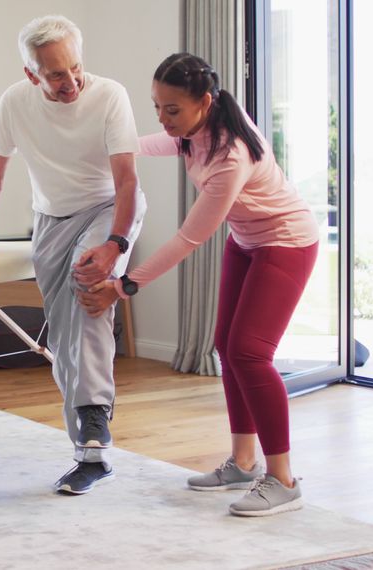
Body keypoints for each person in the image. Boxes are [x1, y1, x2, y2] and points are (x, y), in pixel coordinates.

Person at [78, 52, 319, 516]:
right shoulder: (192, 133)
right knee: (226, 347)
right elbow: (154, 145)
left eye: (173, 110)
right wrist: (111, 144)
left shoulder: (232, 154)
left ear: (204, 102)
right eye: (157, 108)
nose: (164, 119)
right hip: (248, 241)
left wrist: (125, 284)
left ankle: (283, 479)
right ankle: (244, 462)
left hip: (286, 243)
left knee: (250, 352)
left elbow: (189, 238)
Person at [0, 15, 146, 495]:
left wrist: (115, 243)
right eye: (56, 74)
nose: (71, 81)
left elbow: (128, 182)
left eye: (75, 67)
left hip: (107, 209)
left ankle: (94, 429)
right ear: (31, 74)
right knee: (62, 329)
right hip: (51, 220)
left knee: (88, 291)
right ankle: (88, 446)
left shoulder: (109, 94)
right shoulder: (14, 103)